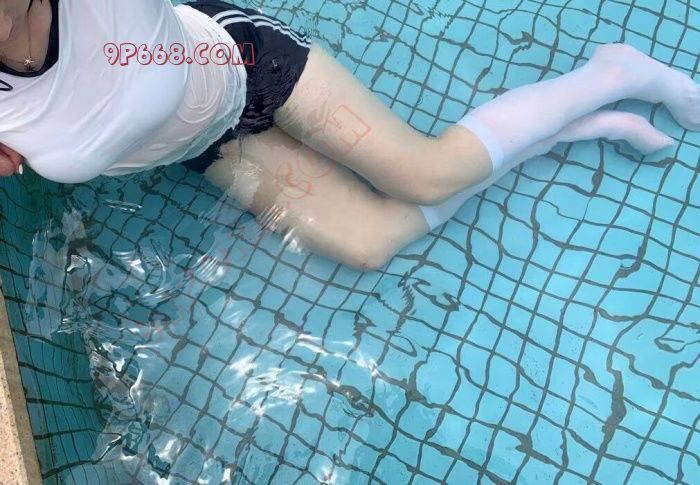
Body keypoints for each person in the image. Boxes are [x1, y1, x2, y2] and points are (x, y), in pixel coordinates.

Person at [0, 0, 696, 270]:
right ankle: (551, 134)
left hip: (247, 65)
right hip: (204, 145)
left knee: (425, 176)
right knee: (368, 243)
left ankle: (613, 73)